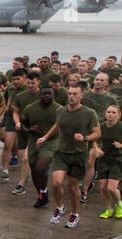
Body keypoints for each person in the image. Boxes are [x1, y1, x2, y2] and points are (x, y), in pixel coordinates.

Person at [39, 85, 100, 228]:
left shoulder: (89, 113)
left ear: (81, 96)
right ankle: (60, 208)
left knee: (73, 187)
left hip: (79, 155)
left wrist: (85, 138)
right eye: (70, 93)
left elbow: (97, 133)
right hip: (61, 153)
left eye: (75, 94)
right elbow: (57, 125)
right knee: (56, 183)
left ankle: (74, 214)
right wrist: (45, 137)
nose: (71, 96)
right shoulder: (60, 110)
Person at [95, 104, 122, 218]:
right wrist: (96, 149)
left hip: (118, 159)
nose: (110, 114)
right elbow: (94, 140)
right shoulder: (100, 126)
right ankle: (108, 209)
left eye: (113, 112)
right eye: (108, 112)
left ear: (119, 115)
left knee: (111, 188)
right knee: (102, 187)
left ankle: (119, 205)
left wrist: (121, 145)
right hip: (104, 158)